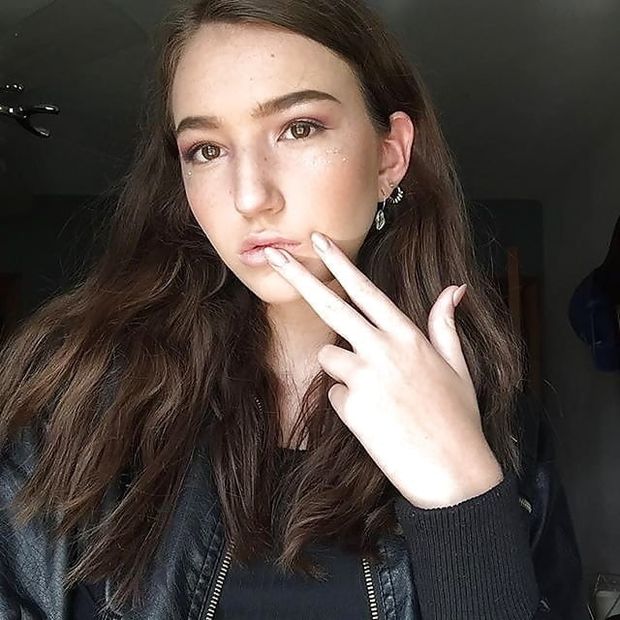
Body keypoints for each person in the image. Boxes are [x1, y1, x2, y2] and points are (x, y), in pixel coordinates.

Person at [0, 1, 590, 618]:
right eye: (206, 149)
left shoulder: (503, 425)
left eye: (299, 128)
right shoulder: (73, 396)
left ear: (390, 156)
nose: (250, 196)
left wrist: (464, 497)